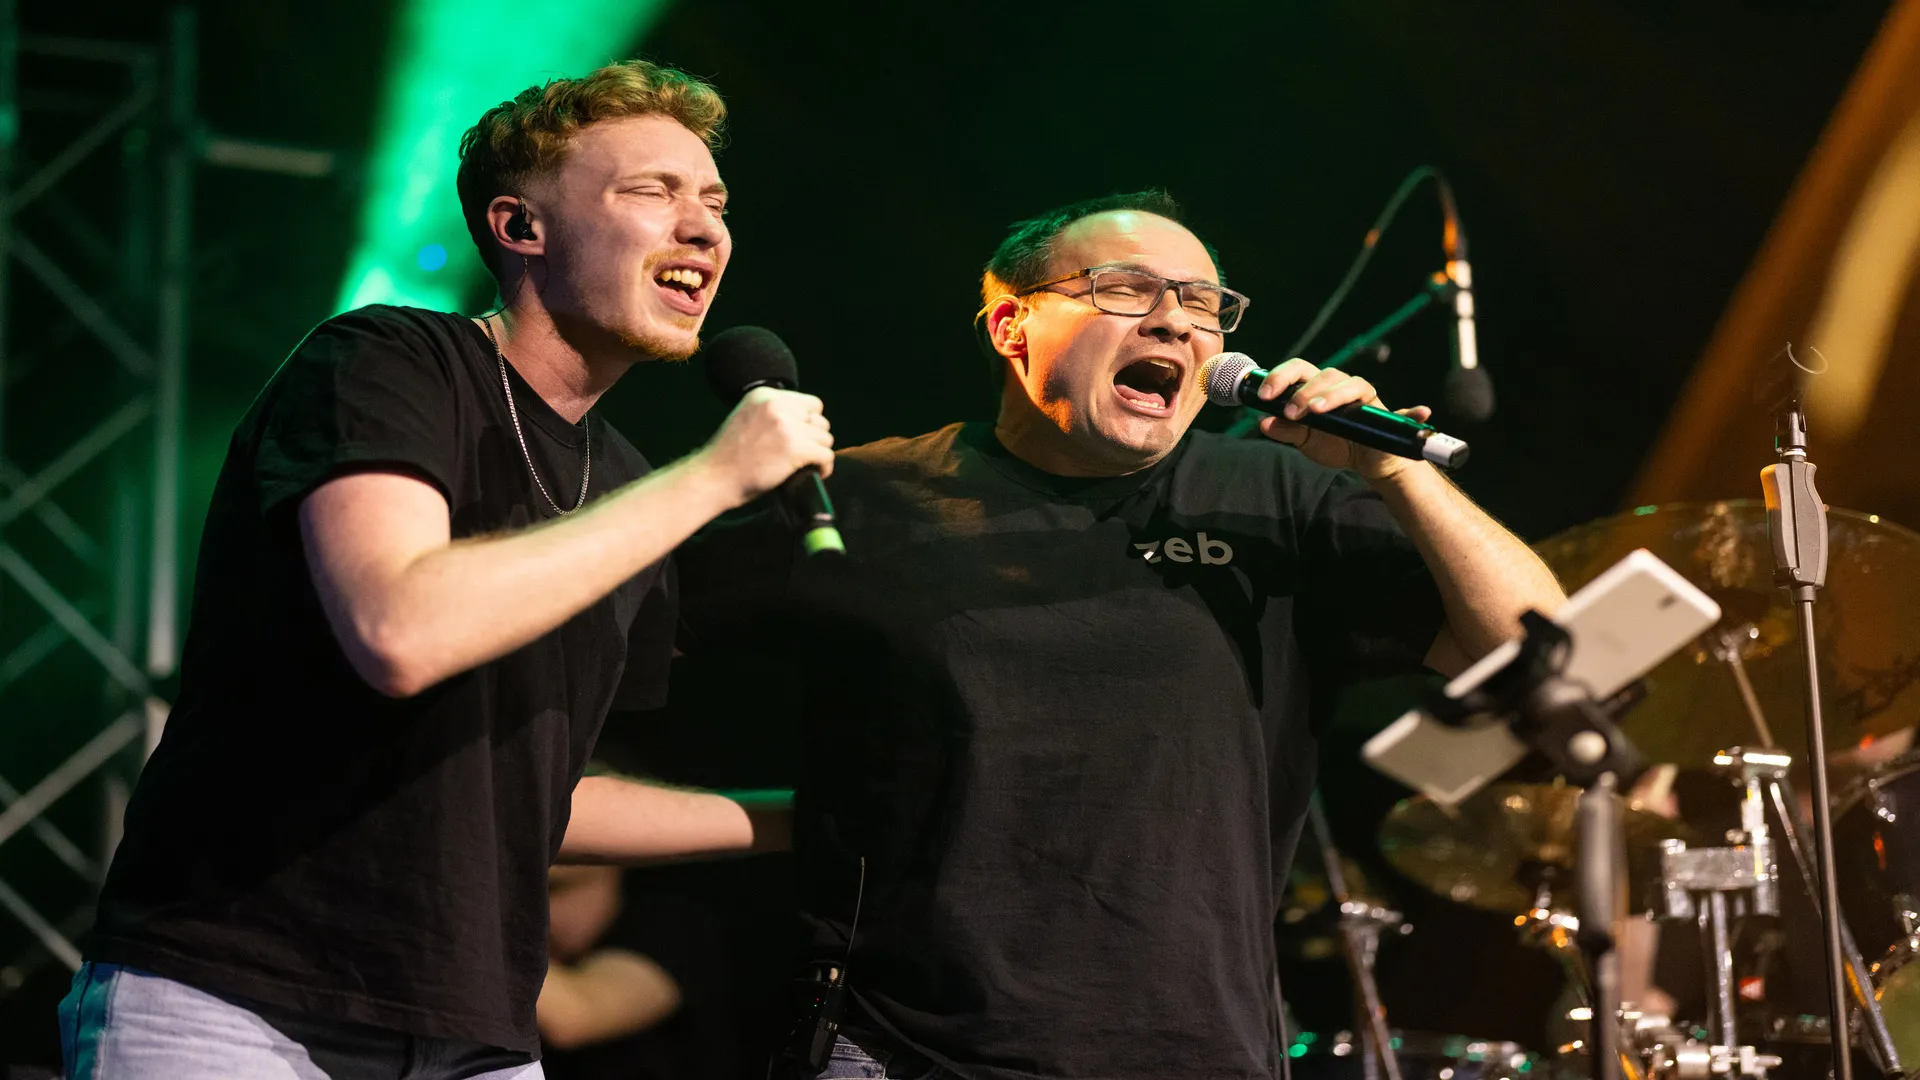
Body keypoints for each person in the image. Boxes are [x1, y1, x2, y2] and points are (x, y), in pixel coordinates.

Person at [59, 60, 833, 1079]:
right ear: (520, 227)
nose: (702, 229)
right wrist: (714, 478)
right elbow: (399, 628)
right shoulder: (389, 360)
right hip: (236, 999)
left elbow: (539, 798)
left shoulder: (628, 482)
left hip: (472, 1033)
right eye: (652, 191)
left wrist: (804, 820)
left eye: (715, 203)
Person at [681, 190, 1567, 1079]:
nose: (1175, 321)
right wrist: (783, 818)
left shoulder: (1276, 501)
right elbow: (616, 641)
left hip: (1198, 1057)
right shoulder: (866, 497)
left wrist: (1397, 475)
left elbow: (1542, 652)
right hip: (905, 1050)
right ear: (1011, 327)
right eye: (1126, 288)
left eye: (1203, 303)